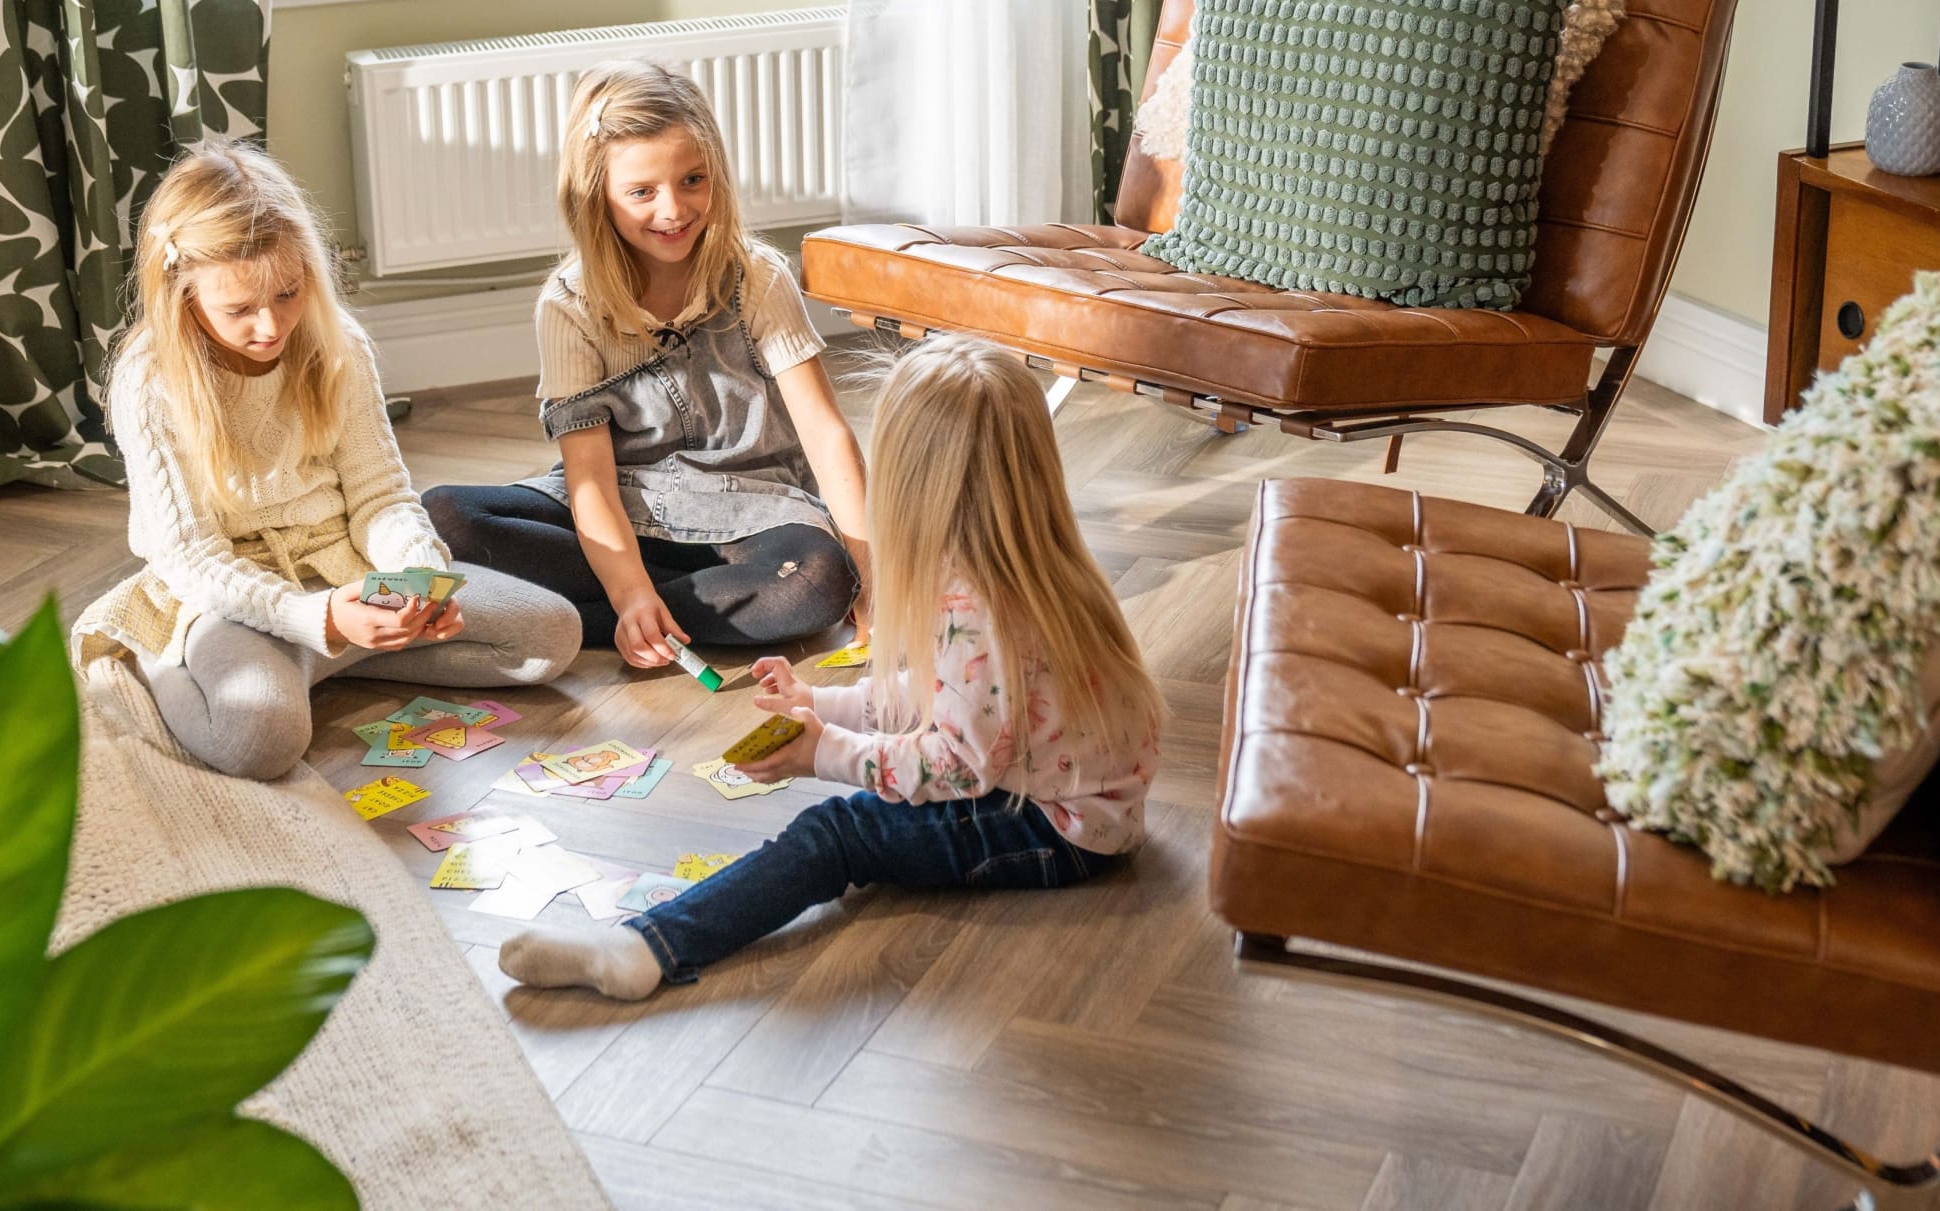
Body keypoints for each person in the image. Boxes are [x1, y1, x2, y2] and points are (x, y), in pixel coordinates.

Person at [498, 335, 1163, 997]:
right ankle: (652, 939)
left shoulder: (974, 605)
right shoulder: (1029, 561)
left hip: (1058, 827)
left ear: (910, 483)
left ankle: (647, 947)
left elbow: (960, 764)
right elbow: (949, 696)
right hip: (1079, 797)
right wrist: (825, 705)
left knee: (838, 832)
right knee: (855, 809)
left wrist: (828, 753)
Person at [72, 143, 581, 778]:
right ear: (182, 294)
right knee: (261, 739)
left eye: (288, 293)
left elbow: (380, 497)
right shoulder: (151, 381)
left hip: (344, 571)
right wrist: (314, 617)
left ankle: (319, 658)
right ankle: (162, 661)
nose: (270, 325)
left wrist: (420, 574)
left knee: (551, 637)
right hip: (231, 595)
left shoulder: (339, 346)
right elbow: (194, 559)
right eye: (239, 309)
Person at [424, 59, 866, 666]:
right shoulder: (569, 306)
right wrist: (629, 586)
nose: (673, 209)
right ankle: (645, 607)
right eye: (641, 192)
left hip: (753, 517)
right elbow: (591, 482)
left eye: (693, 180)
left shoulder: (758, 278)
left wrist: (875, 582)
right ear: (596, 197)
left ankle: (575, 621)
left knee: (815, 580)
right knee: (444, 516)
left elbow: (825, 434)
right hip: (624, 509)